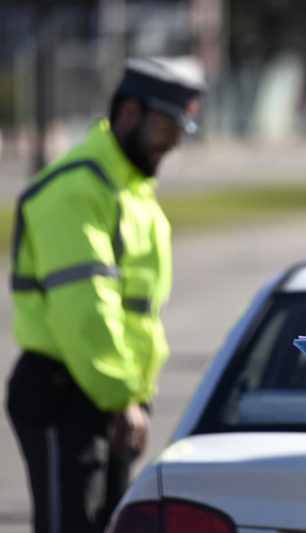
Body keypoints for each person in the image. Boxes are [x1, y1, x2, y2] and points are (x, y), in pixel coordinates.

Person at [5, 58, 204, 533]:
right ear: (130, 112)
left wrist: (133, 395)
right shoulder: (78, 189)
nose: (175, 141)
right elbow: (86, 311)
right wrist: (122, 398)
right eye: (169, 125)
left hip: (107, 395)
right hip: (69, 390)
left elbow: (135, 312)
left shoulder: (129, 189)